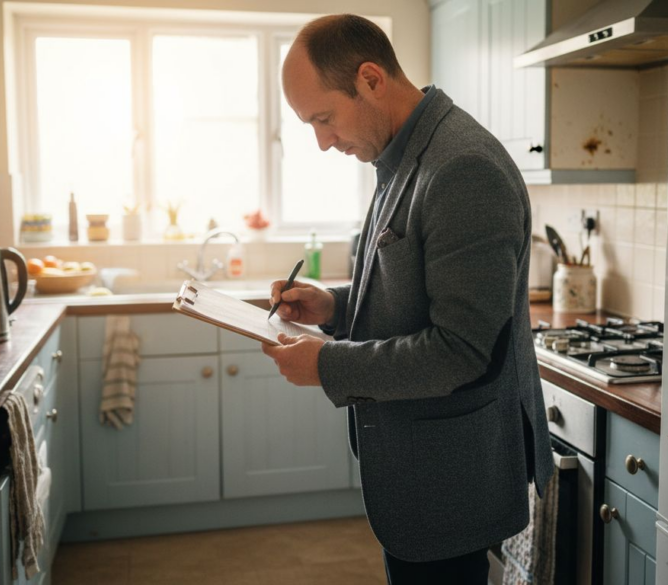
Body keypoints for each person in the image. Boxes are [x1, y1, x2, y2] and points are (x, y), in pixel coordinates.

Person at [262, 14, 554, 585]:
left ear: (371, 79)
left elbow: (460, 352)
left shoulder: (461, 167)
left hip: (449, 481)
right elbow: (415, 298)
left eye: (323, 118)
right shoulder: (400, 155)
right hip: (421, 472)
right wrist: (335, 307)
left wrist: (326, 364)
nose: (322, 142)